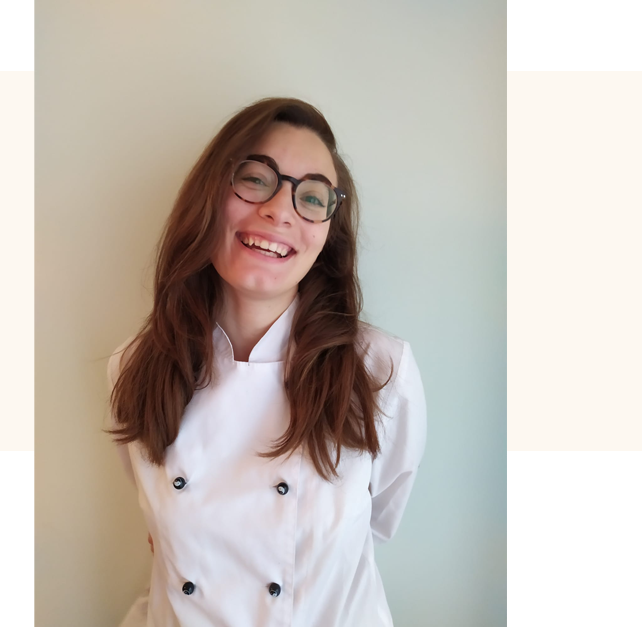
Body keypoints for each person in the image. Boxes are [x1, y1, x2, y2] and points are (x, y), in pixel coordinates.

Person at [105, 97, 427, 627]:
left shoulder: (379, 370)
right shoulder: (136, 366)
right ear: (209, 196)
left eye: (312, 196)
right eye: (255, 179)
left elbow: (376, 523)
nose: (280, 210)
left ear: (327, 233)